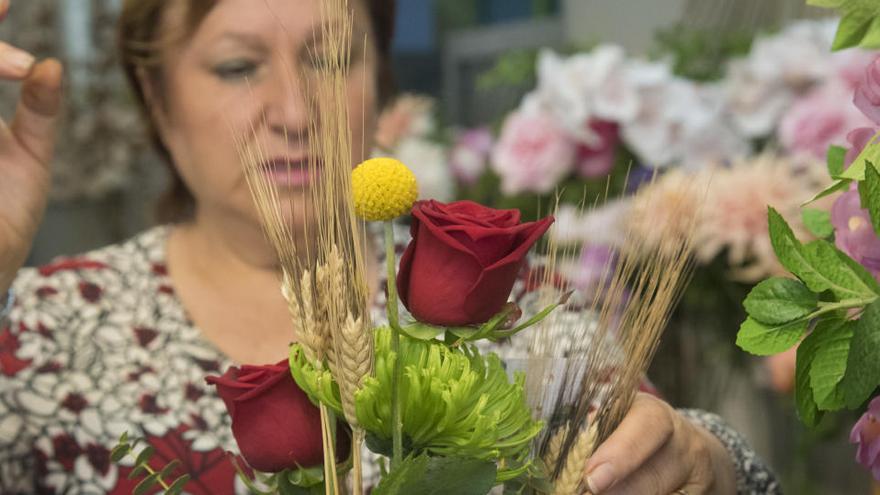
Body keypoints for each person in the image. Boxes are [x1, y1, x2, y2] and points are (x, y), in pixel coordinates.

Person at [0, 0, 779, 493]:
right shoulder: (43, 326)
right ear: (157, 103)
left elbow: (670, 451)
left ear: (377, 74)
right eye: (238, 67)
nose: (295, 111)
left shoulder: (514, 304)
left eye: (333, 58)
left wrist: (707, 460)